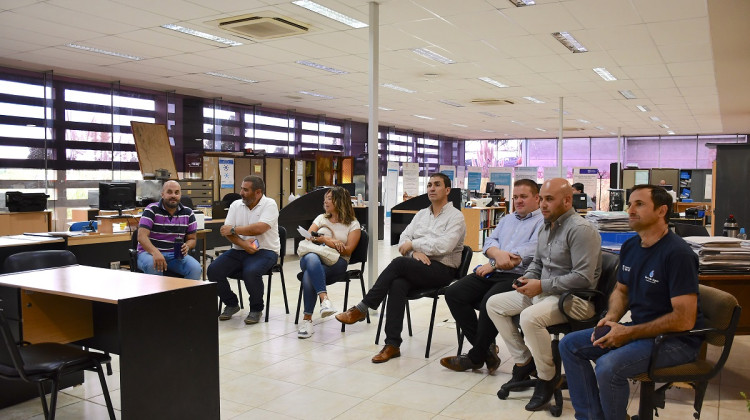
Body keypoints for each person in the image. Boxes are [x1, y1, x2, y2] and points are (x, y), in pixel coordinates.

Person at [559, 184, 704, 420]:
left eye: (639, 204)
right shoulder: (630, 246)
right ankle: (591, 416)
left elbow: (684, 319)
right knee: (570, 345)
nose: (630, 210)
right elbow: (621, 290)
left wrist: (629, 333)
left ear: (661, 211)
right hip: (641, 331)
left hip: (676, 340)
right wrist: (612, 317)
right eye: (630, 204)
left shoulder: (678, 254)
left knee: (608, 367)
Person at [485, 178, 602, 411]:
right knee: (494, 304)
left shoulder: (580, 230)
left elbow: (583, 278)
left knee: (529, 317)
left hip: (574, 299)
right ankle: (524, 360)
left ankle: (547, 378)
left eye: (549, 199)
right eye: (542, 199)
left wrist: (542, 285)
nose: (543, 205)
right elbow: (537, 262)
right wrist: (527, 278)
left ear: (567, 200)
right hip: (545, 291)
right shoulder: (546, 225)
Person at [336, 173, 466, 363]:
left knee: (398, 263)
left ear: (447, 190)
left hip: (443, 270)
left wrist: (414, 245)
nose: (431, 188)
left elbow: (444, 246)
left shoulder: (456, 217)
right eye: (429, 185)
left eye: (437, 185)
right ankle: (392, 344)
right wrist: (414, 253)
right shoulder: (422, 214)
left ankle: (363, 307)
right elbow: (403, 239)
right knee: (397, 284)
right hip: (418, 266)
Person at [440, 179, 544, 373]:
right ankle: (487, 350)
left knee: (491, 301)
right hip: (493, 271)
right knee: (454, 293)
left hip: (518, 276)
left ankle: (475, 357)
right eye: (515, 197)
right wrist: (496, 257)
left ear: (537, 198)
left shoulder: (542, 222)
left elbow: (525, 253)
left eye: (523, 197)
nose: (518, 201)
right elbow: (490, 241)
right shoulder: (507, 219)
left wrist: (495, 260)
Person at [208, 175, 280, 324]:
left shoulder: (270, 204)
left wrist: (234, 229)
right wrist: (243, 244)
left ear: (258, 192)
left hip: (266, 251)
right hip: (239, 250)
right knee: (213, 270)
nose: (241, 192)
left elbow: (259, 228)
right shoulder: (236, 205)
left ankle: (256, 309)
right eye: (241, 188)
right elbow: (226, 232)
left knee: (251, 272)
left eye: (245, 190)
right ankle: (232, 303)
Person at [297, 186, 361, 339]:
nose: (326, 201)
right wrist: (329, 240)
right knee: (312, 258)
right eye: (325, 198)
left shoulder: (353, 224)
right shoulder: (321, 218)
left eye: (330, 198)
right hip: (312, 256)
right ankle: (324, 300)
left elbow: (347, 250)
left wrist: (325, 240)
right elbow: (308, 237)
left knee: (308, 275)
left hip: (336, 262)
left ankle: (307, 320)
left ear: (340, 201)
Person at [136, 180, 202, 280]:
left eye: (177, 192)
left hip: (175, 256)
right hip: (149, 253)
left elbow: (192, 239)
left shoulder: (188, 213)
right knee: (153, 265)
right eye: (169, 192)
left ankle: (185, 295)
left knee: (195, 268)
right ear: (162, 194)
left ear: (180, 194)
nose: (173, 195)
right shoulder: (151, 209)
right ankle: (160, 295)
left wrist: (187, 246)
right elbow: (141, 237)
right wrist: (155, 252)